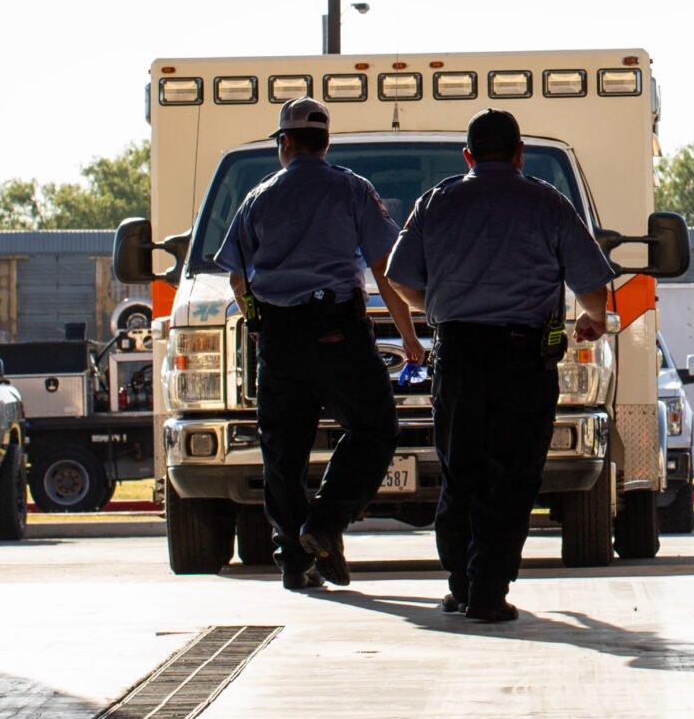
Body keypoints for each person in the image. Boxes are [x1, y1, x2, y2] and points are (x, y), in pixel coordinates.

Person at [382, 109, 615, 624]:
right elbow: (594, 289)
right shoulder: (548, 203)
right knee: (512, 474)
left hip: (459, 354)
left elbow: (398, 277)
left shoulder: (436, 201)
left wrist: (438, 305)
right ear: (519, 153)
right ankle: (488, 587)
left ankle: (463, 585)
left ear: (467, 155)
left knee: (460, 470)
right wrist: (593, 321)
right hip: (522, 360)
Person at [214, 96, 427, 592]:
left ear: (285, 143)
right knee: (374, 430)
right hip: (339, 333)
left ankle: (293, 561)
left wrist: (257, 323)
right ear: (325, 142)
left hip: (280, 339)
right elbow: (385, 270)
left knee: (282, 455)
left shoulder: (258, 199)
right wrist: (410, 337)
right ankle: (325, 524)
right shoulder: (353, 190)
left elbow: (238, 281)